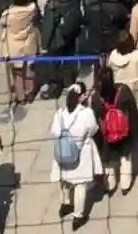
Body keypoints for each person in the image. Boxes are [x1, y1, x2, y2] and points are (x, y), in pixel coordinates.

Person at [51, 83, 103, 230]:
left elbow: (54, 131)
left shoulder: (60, 113)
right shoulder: (86, 113)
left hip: (63, 152)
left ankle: (65, 204)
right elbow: (93, 129)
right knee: (80, 184)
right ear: (81, 97)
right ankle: (78, 216)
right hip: (81, 154)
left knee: (65, 181)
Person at [89, 64, 138, 197]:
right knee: (125, 158)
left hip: (107, 135)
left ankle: (110, 185)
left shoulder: (96, 98)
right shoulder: (124, 90)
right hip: (125, 132)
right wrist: (136, 130)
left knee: (109, 163)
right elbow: (133, 111)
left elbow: (94, 119)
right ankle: (125, 185)